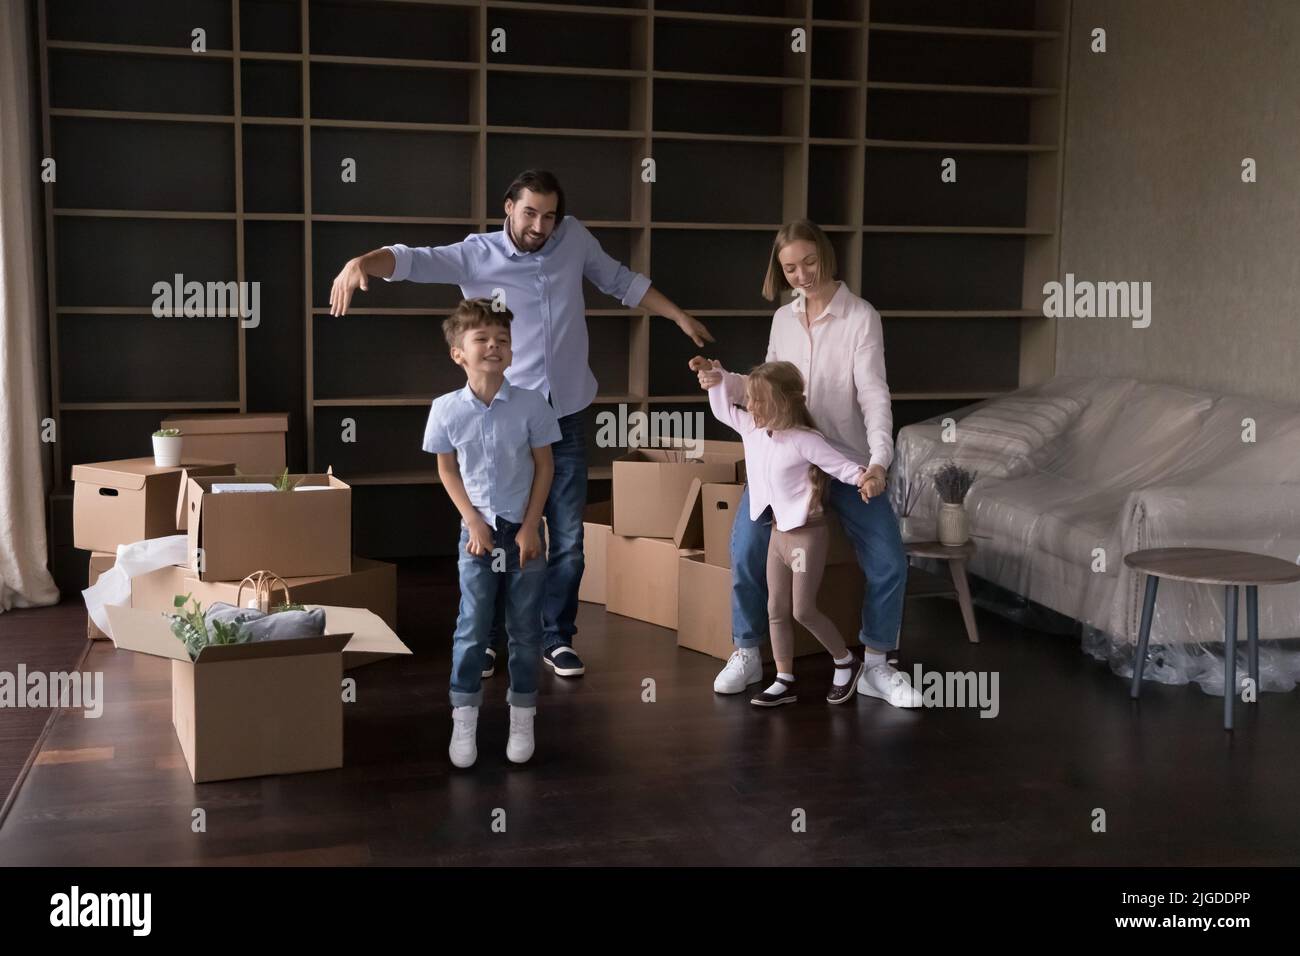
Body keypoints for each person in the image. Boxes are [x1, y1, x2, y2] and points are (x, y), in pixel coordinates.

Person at [329, 169, 712, 678]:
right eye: (530, 213)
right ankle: (488, 639)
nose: (540, 226)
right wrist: (362, 262)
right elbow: (412, 260)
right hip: (509, 417)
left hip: (569, 411)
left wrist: (677, 316)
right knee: (497, 533)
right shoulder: (476, 253)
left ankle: (557, 638)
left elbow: (619, 279)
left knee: (568, 540)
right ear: (508, 207)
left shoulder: (572, 237)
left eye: (549, 215)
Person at [692, 218, 920, 708]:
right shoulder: (782, 320)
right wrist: (720, 378)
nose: (802, 275)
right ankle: (749, 651)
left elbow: (875, 396)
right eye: (790, 268)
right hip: (785, 465)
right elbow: (764, 387)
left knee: (888, 561)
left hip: (847, 461)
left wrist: (879, 462)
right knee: (746, 549)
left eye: (809, 262)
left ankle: (878, 664)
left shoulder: (861, 317)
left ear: (826, 255)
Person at [424, 299, 560, 767]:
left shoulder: (531, 404)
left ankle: (522, 718)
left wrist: (530, 527)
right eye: (481, 339)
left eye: (502, 340)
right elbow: (447, 470)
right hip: (477, 534)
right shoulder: (444, 409)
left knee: (525, 630)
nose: (494, 346)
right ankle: (464, 722)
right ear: (458, 353)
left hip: (523, 533)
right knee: (472, 627)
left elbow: (545, 467)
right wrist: (472, 521)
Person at [704, 360, 869, 706]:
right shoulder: (751, 428)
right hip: (777, 536)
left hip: (804, 537)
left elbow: (842, 467)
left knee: (802, 610)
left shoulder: (803, 440)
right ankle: (784, 679)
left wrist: (867, 478)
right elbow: (722, 409)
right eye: (749, 399)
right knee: (775, 608)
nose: (749, 407)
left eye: (758, 400)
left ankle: (845, 660)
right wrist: (716, 378)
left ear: (782, 401)